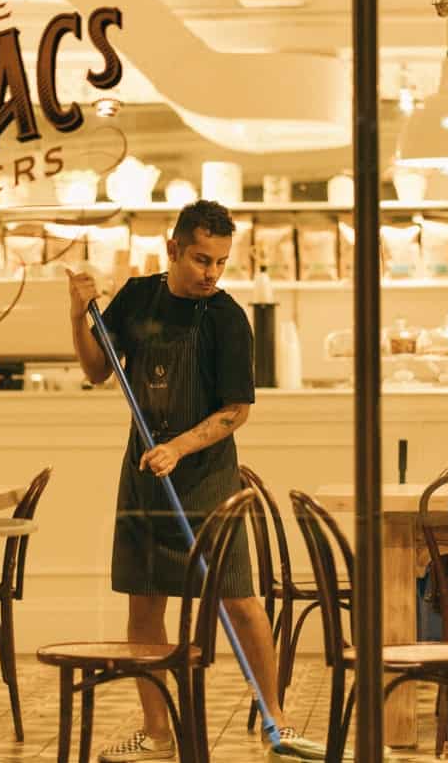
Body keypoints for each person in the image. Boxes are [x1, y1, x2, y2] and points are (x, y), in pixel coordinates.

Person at [67, 201, 321, 761]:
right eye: (201, 259)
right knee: (144, 604)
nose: (210, 273)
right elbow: (96, 369)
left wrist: (180, 447)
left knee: (240, 602)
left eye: (221, 262)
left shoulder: (228, 318)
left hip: (207, 477)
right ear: (173, 249)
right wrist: (79, 314)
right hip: (144, 475)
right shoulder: (138, 296)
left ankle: (275, 720)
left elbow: (237, 410)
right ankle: (158, 733)